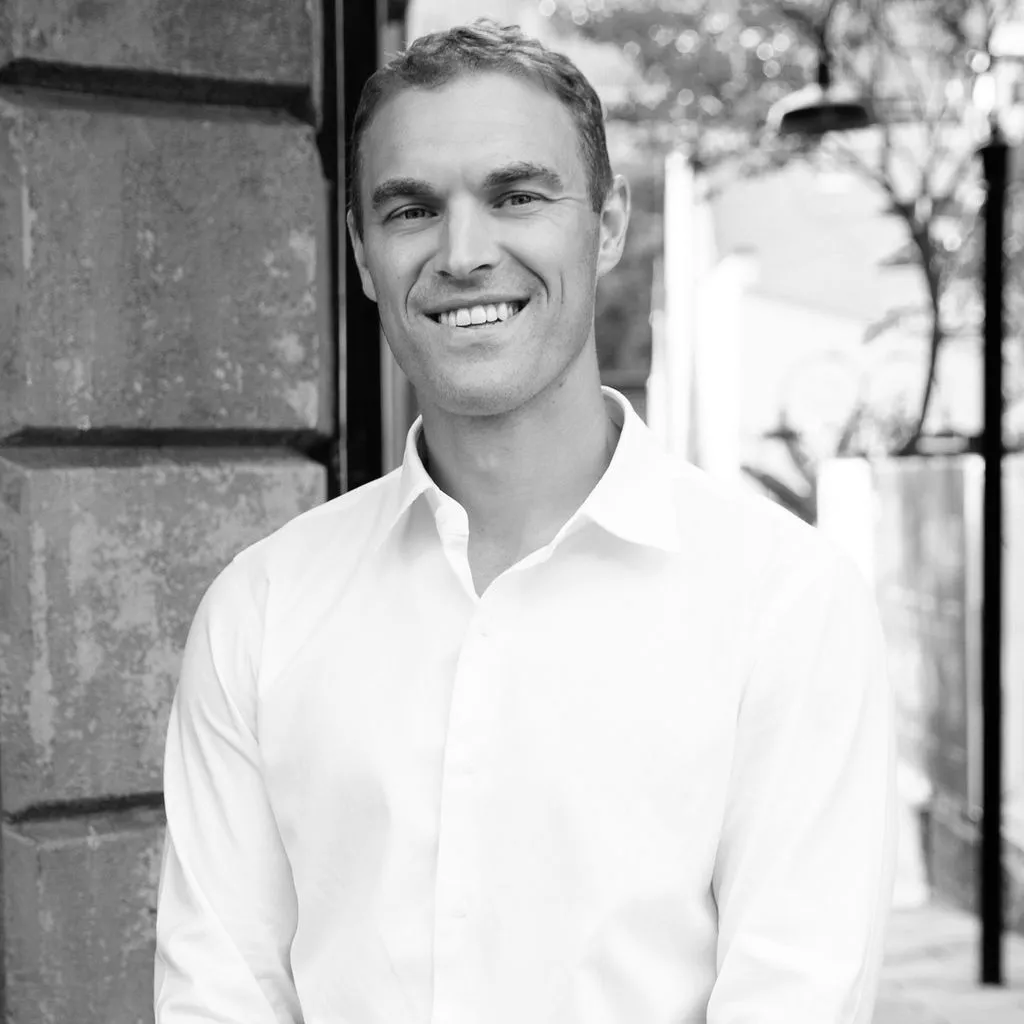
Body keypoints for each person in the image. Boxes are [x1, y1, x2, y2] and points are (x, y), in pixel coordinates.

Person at [154, 19, 897, 1024]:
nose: (464, 253)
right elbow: (220, 994)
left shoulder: (785, 604)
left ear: (606, 223)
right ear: (364, 257)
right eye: (411, 208)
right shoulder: (263, 608)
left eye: (516, 195)